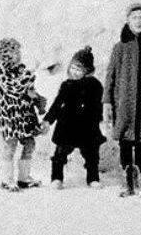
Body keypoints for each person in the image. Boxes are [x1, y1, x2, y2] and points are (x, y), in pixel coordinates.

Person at [103, 2, 141, 198]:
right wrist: (107, 101)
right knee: (124, 142)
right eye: (134, 17)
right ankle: (126, 183)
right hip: (123, 105)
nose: (138, 21)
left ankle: (140, 183)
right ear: (128, 21)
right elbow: (110, 75)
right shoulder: (120, 48)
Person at [41, 46, 106, 189]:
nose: (74, 72)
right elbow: (57, 104)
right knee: (60, 153)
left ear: (87, 71)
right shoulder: (67, 85)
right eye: (73, 68)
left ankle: (93, 178)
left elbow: (98, 105)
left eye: (79, 69)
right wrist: (48, 120)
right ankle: (57, 178)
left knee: (91, 155)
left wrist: (101, 121)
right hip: (67, 125)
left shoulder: (95, 86)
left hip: (88, 126)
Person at [0, 37, 44, 192]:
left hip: (24, 115)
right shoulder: (2, 72)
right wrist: (29, 76)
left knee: (30, 143)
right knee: (11, 146)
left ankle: (23, 178)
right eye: (16, 52)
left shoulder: (20, 70)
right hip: (10, 116)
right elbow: (14, 89)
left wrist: (36, 97)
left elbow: (27, 89)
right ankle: (7, 180)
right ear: (7, 55)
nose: (19, 54)